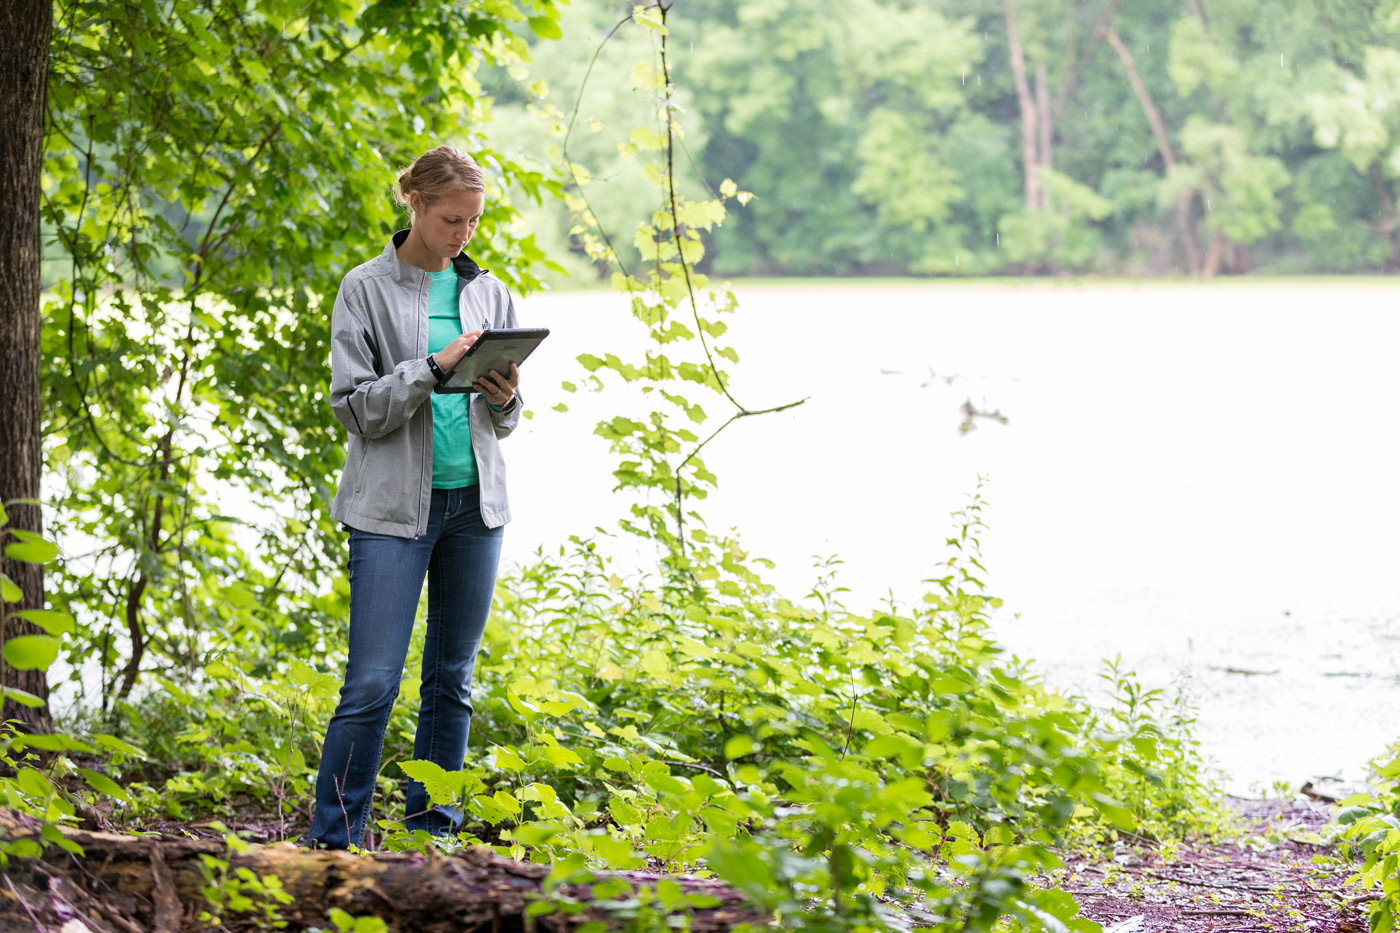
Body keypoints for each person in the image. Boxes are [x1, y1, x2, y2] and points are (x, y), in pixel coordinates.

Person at [307, 145, 524, 849]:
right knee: (371, 683)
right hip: (391, 514)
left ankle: (432, 838)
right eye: (450, 219)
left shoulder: (489, 292)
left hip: (474, 510)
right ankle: (333, 842)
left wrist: (505, 395)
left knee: (450, 683)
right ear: (416, 205)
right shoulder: (364, 289)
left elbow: (508, 421)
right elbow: (357, 409)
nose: (463, 233)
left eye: (473, 220)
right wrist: (434, 366)